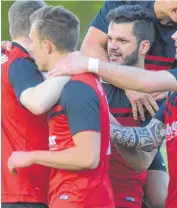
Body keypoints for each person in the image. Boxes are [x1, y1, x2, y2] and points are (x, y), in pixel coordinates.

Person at [48, 5, 177, 208]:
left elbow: (146, 81)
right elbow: (147, 139)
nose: (174, 36)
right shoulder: (176, 95)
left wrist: (89, 64)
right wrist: (100, 121)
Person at [80, 1, 177, 206]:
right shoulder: (124, 4)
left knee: (162, 197)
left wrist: (169, 89)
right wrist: (131, 85)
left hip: (146, 114)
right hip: (118, 99)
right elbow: (89, 47)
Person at [7, 6, 115, 208]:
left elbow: (88, 157)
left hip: (79, 198)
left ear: (47, 46)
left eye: (33, 42)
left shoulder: (76, 89)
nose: (29, 50)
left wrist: (30, 156)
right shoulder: (77, 82)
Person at [1, 1, 72, 208]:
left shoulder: (6, 58)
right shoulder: (21, 62)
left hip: (17, 188)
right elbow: (37, 103)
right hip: (27, 188)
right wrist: (72, 66)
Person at [101, 5, 167, 208]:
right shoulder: (89, 85)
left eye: (122, 41)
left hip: (127, 197)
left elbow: (143, 161)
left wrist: (103, 117)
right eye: (110, 39)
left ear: (144, 47)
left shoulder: (157, 93)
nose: (112, 46)